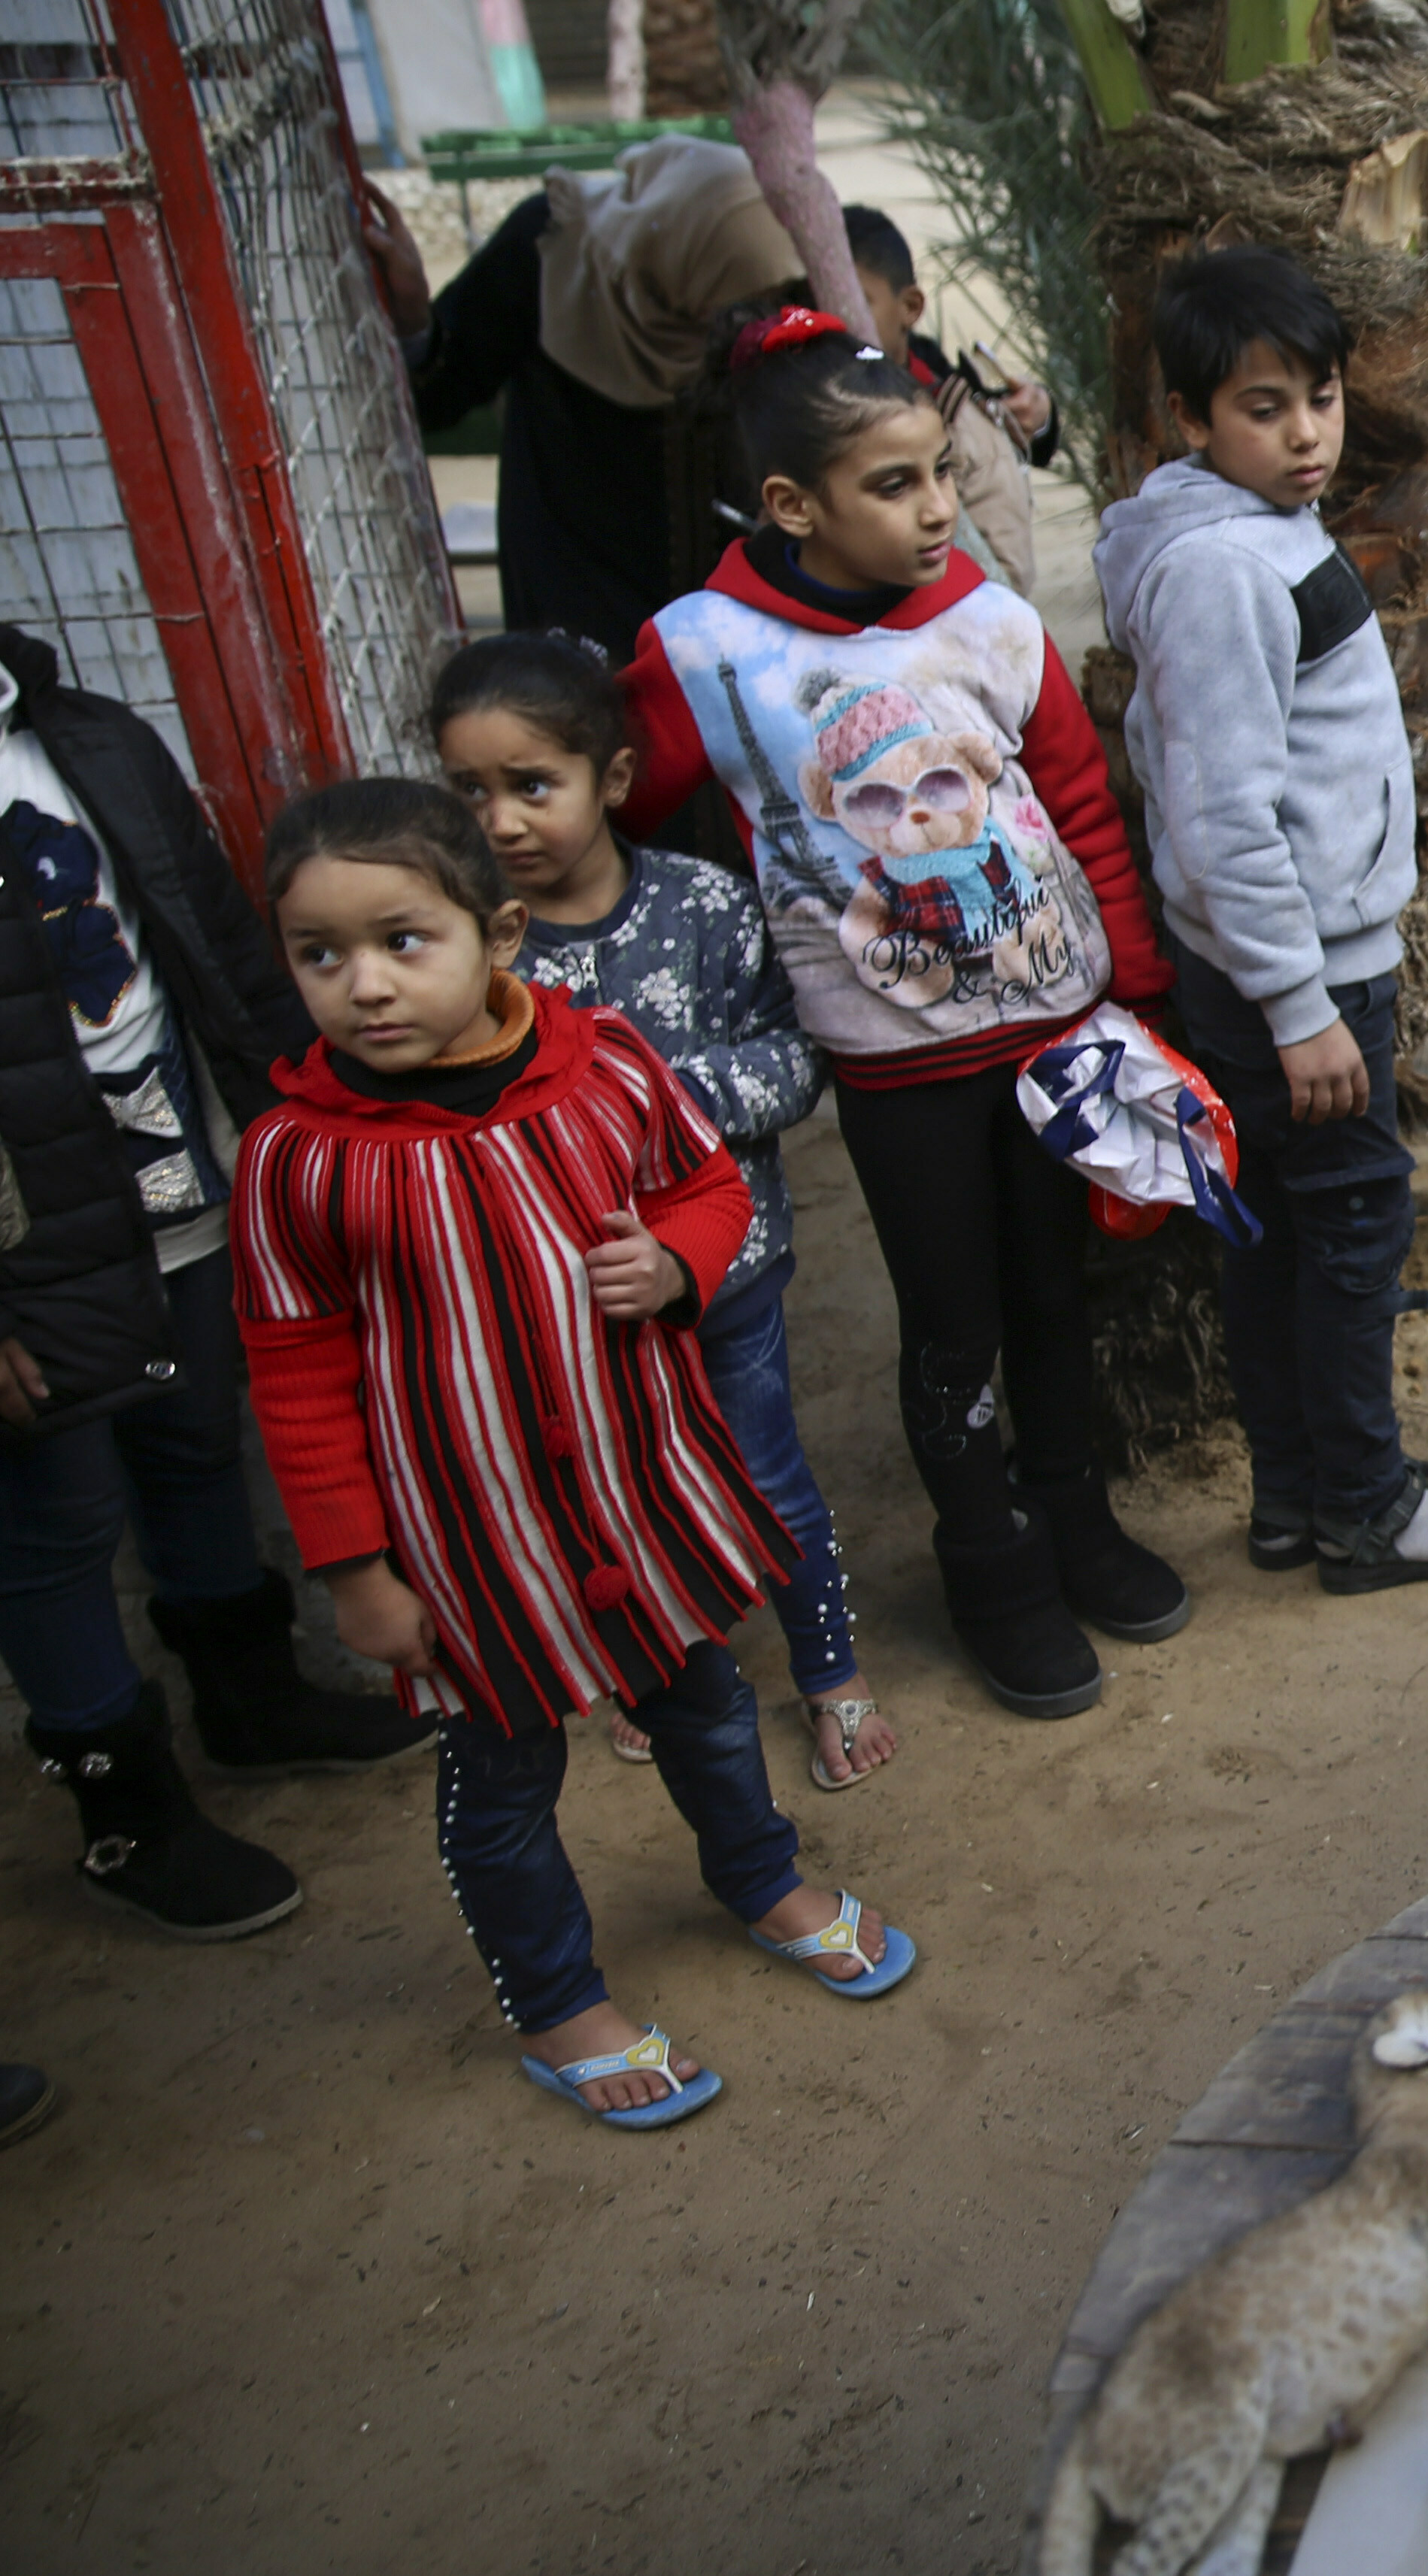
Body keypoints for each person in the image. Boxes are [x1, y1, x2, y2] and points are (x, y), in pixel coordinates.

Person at [235, 779, 917, 2129]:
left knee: (708, 1708)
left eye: (400, 940)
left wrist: (676, 1264)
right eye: (322, 955)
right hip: (466, 1556)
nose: (363, 985)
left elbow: (709, 1186)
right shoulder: (296, 1160)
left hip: (637, 1501)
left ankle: (760, 1876)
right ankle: (554, 2003)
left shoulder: (605, 1063)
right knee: (501, 1784)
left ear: (497, 939)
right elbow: (296, 1373)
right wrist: (355, 1571)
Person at [620, 307, 1190, 1717]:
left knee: (1056, 1294)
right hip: (896, 1070)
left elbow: (1076, 799)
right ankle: (987, 1559)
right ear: (791, 505)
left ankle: (1075, 1521)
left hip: (1051, 1041)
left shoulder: (992, 622)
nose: (940, 508)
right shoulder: (703, 650)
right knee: (954, 1320)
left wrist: (1134, 975)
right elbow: (620, 796)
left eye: (943, 471)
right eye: (895, 486)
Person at [1095, 248, 1428, 1590]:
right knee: (1352, 1235)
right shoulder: (1224, 572)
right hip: (1294, 977)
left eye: (1324, 398)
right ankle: (1366, 1505)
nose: (1306, 434)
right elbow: (1228, 814)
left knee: (1285, 1236)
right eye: (1264, 407)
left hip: (1265, 964)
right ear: (1189, 419)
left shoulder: (1234, 538)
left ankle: (1295, 1499)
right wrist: (1302, 1008)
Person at [3, 625, 426, 1943]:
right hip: (29, 1250)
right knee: (55, 1524)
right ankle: (128, 1814)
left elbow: (222, 954)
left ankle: (250, 1704)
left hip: (176, 1180)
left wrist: (307, 1116)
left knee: (195, 1433)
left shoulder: (88, 739)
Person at [431, 634, 893, 1789]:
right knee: (611, 1484)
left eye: (532, 785)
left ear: (615, 781)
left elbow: (798, 1059)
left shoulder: (704, 908)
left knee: (762, 1468)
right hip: (566, 1302)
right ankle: (662, 1667)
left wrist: (656, 1094)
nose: (499, 821)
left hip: (725, 1273)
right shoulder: (465, 947)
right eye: (466, 792)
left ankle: (831, 1675)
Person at [364, 138, 801, 653]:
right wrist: (415, 319)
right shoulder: (548, 252)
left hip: (718, 614)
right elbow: (444, 387)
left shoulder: (769, 284)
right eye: (728, 301)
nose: (742, 323)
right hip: (574, 594)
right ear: (681, 260)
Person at [842, 205, 1060, 599]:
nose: (836, 320)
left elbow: (1007, 582)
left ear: (909, 308)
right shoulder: (799, 409)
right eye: (816, 302)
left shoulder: (956, 416)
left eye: (856, 304)